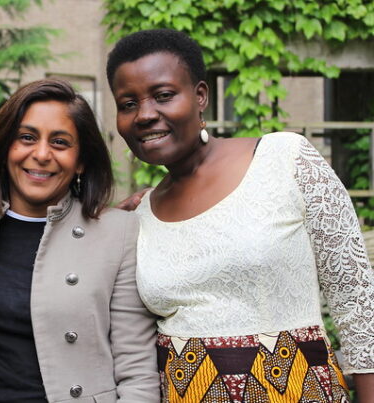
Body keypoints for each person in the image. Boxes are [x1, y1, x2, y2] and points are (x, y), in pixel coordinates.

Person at [106, 29, 374, 402]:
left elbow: (358, 302)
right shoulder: (140, 216)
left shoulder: (285, 160)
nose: (145, 115)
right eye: (128, 103)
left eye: (164, 95)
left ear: (201, 96)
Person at [0, 79, 159, 402]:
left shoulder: (120, 234)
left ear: (81, 160)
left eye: (60, 142)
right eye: (27, 138)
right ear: (5, 149)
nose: (41, 154)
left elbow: (137, 373)